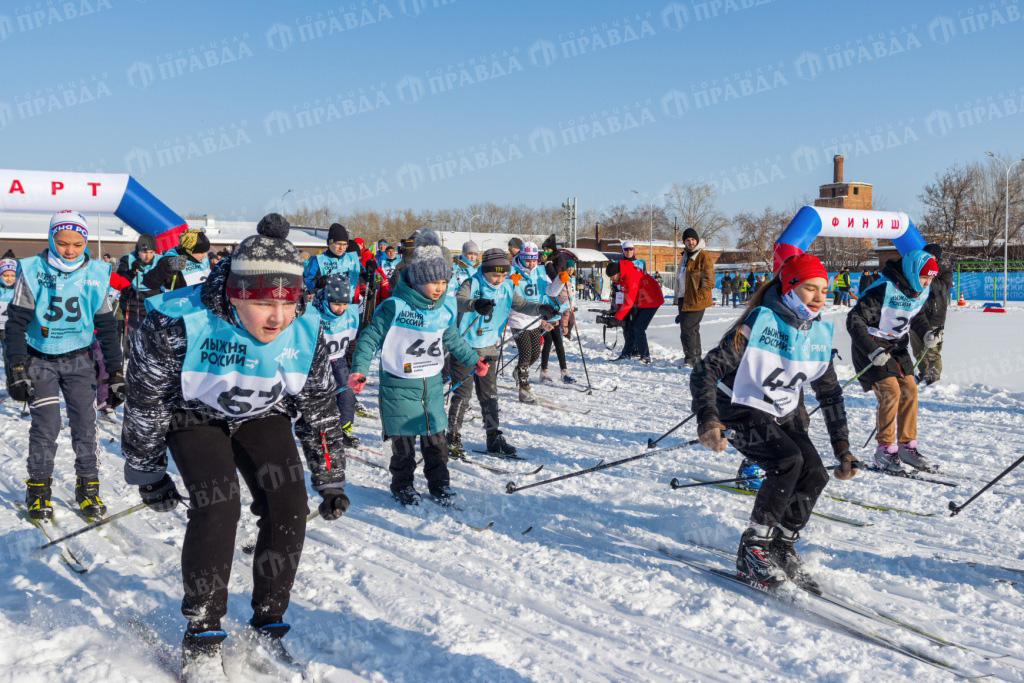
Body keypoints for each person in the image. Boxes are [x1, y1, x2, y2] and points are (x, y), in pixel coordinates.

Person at [123, 214, 348, 678]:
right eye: (265, 304)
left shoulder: (306, 329)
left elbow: (320, 406)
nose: (279, 317)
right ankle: (202, 637)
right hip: (194, 415)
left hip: (260, 413)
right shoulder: (177, 319)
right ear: (235, 293)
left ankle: (269, 624)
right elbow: (145, 398)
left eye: (289, 303)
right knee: (218, 503)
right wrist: (148, 472)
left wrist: (329, 476)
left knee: (287, 502)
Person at [690, 253, 851, 589]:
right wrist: (707, 419)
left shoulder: (817, 334)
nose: (820, 297)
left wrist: (842, 448)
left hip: (782, 410)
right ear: (790, 289)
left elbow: (831, 393)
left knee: (815, 473)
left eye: (824, 289)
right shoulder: (758, 324)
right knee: (787, 461)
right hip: (737, 407)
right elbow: (706, 370)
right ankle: (753, 548)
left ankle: (782, 543)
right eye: (810, 288)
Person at [348, 229, 485, 505]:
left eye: (444, 282)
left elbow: (452, 339)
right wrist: (359, 369)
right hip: (399, 386)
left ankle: (440, 485)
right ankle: (402, 485)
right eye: (434, 282)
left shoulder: (443, 309)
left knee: (437, 443)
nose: (440, 288)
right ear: (419, 280)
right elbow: (369, 337)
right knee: (404, 446)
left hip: (431, 387)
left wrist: (473, 359)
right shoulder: (395, 307)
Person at [5, 211, 124, 521]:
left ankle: (88, 488)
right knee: (47, 427)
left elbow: (107, 327)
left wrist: (115, 372)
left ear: (85, 240)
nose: (70, 250)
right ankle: (39, 489)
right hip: (40, 359)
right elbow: (16, 323)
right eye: (62, 243)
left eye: (77, 243)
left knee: (86, 426)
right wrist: (15, 370)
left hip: (80, 360)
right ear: (50, 239)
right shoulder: (32, 270)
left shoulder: (98, 272)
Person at [449, 248, 556, 457]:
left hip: (489, 346)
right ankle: (452, 437)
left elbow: (522, 304)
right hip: (464, 346)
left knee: (490, 394)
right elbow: (458, 301)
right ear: (485, 270)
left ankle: (493, 436)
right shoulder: (472, 283)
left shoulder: (507, 286)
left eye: (503, 274)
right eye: (495, 275)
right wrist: (474, 304)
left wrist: (541, 309)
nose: (499, 279)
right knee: (463, 394)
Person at [848, 250, 940, 473]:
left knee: (910, 390)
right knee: (891, 391)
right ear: (912, 272)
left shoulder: (917, 290)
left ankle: (907, 446)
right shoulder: (882, 289)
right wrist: (872, 350)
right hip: (870, 346)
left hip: (897, 347)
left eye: (930, 279)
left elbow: (915, 315)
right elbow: (854, 319)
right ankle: (885, 450)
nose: (927, 283)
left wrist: (927, 332)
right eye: (924, 277)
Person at [508, 242, 563, 403]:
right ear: (521, 258)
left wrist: (559, 281)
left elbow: (550, 291)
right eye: (528, 260)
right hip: (518, 318)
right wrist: (510, 282)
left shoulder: (538, 271)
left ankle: (519, 372)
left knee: (535, 354)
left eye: (534, 260)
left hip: (534, 318)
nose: (531, 264)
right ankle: (524, 389)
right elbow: (505, 292)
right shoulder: (512, 271)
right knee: (525, 354)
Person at [313, 274, 361, 448]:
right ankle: (320, 430)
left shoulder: (351, 314)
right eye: (336, 304)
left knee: (346, 393)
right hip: (317, 364)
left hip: (339, 360)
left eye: (344, 304)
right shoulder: (314, 313)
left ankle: (344, 427)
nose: (341, 308)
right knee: (322, 396)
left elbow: (355, 340)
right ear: (327, 300)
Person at [910, 244, 953, 386]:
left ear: (937, 258)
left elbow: (941, 289)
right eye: (925, 255)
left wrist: (929, 274)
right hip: (917, 316)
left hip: (935, 318)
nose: (927, 258)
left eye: (931, 256)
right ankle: (924, 373)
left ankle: (934, 379)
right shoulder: (917, 270)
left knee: (932, 350)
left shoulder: (944, 272)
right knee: (917, 350)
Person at [607, 259, 663, 364]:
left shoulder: (630, 276)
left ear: (618, 272)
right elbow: (622, 296)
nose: (612, 279)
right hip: (642, 300)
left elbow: (628, 301)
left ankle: (645, 356)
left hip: (652, 300)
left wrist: (617, 318)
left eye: (613, 276)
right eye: (610, 277)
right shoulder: (622, 277)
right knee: (632, 327)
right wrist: (617, 312)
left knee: (638, 328)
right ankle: (626, 354)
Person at [674, 228, 714, 369]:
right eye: (687, 240)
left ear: (697, 240)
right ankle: (696, 358)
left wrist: (699, 297)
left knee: (687, 330)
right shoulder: (685, 256)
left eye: (693, 239)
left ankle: (690, 359)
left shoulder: (702, 256)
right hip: (683, 298)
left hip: (695, 299)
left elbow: (709, 281)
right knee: (692, 330)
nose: (690, 242)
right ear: (684, 242)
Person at [539, 235, 577, 384]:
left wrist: (547, 263)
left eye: (547, 249)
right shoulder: (542, 260)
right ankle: (544, 371)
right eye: (544, 250)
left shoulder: (558, 259)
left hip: (556, 303)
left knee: (557, 341)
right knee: (548, 340)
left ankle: (564, 372)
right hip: (544, 303)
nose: (545, 252)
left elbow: (557, 277)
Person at [116, 234, 159, 339]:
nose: (148, 256)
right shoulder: (127, 260)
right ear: (138, 251)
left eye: (151, 252)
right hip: (134, 308)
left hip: (154, 308)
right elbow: (119, 282)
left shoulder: (160, 260)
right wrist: (131, 272)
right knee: (136, 342)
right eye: (144, 252)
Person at [142, 229, 211, 292]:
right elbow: (149, 283)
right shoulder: (171, 259)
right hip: (179, 303)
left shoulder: (202, 259)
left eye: (206, 252)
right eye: (201, 252)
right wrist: (167, 266)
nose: (204, 255)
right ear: (189, 250)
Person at [303, 223, 361, 295]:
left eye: (344, 244)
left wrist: (369, 275)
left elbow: (362, 280)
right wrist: (318, 283)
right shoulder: (318, 260)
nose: (341, 248)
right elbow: (308, 284)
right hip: (324, 303)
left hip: (347, 304)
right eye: (338, 244)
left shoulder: (351, 259)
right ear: (330, 243)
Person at [0, 258, 18, 352]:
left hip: (7, 326)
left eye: (12, 275)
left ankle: (8, 366)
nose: (9, 278)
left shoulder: (18, 290)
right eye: (5, 275)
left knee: (7, 351)